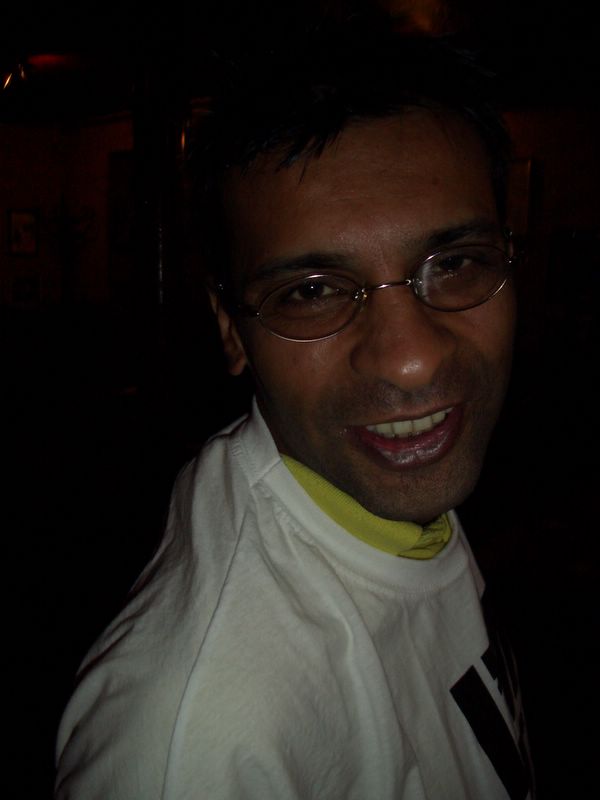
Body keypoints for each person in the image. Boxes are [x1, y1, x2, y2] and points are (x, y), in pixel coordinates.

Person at [55, 21, 535, 800]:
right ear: (230, 330)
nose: (411, 359)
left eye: (455, 263)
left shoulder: (375, 488)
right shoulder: (202, 745)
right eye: (310, 291)